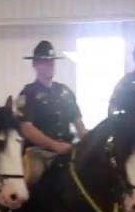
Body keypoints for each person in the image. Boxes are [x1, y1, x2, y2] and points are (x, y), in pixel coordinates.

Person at [14, 40, 85, 186]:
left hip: (68, 149)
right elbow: (27, 128)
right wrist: (55, 146)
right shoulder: (28, 93)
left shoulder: (65, 92)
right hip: (39, 152)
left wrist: (88, 143)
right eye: (45, 61)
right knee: (33, 177)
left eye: (52, 61)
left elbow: (79, 124)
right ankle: (21, 209)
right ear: (35, 64)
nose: (50, 65)